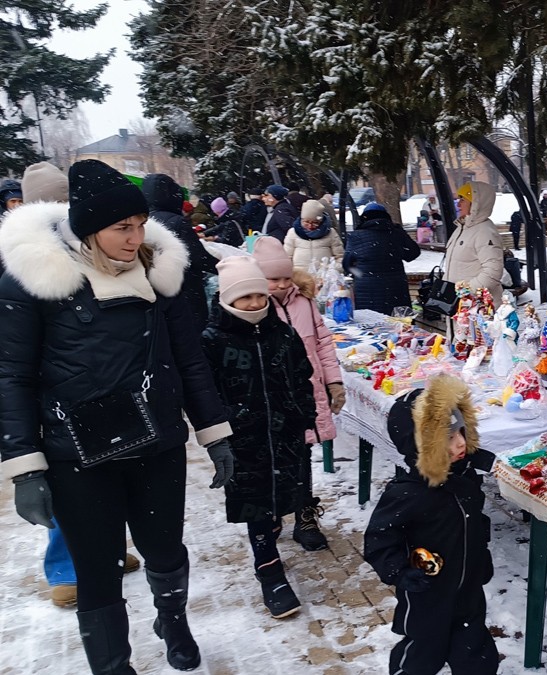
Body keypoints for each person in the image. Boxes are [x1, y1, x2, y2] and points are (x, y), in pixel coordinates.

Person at [0, 159, 235, 673]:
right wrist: (25, 466)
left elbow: (189, 358)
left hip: (158, 443)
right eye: (121, 228)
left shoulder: (158, 270)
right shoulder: (33, 280)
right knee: (97, 570)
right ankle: (112, 666)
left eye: (139, 225)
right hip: (77, 454)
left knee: (165, 550)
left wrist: (215, 433)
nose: (135, 238)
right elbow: (11, 376)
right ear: (89, 228)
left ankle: (171, 619)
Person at [10, 161, 143, 610]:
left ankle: (101, 551)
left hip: (100, 398)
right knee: (67, 492)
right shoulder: (26, 255)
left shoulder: (89, 237)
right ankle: (66, 571)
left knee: (102, 488)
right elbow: (16, 362)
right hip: (58, 401)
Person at [201, 256, 316, 619]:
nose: (253, 304)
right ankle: (269, 570)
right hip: (243, 441)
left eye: (258, 295)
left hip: (285, 432)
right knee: (256, 506)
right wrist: (222, 430)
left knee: (285, 492)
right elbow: (205, 393)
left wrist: (304, 413)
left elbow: (302, 372)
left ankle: (281, 525)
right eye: (243, 297)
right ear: (226, 298)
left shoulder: (281, 331)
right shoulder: (212, 340)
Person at [364, 376, 499, 675]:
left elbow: (474, 519)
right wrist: (401, 572)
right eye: (448, 438)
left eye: (462, 431)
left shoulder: (464, 478)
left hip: (468, 590)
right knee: (422, 657)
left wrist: (480, 554)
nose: (461, 443)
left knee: (477, 657)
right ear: (423, 445)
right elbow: (378, 540)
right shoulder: (407, 493)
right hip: (427, 595)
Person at [253, 237, 346, 550]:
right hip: (272, 399)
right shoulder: (252, 305)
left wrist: (334, 382)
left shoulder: (304, 301)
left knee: (303, 457)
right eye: (272, 279)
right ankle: (276, 511)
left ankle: (305, 516)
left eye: (285, 278)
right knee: (275, 459)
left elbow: (323, 343)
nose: (280, 285)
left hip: (305, 396)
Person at [142, 173, 220, 331]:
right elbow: (197, 257)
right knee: (192, 335)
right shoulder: (177, 222)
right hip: (185, 289)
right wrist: (225, 267)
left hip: (155, 290)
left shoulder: (143, 221)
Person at [342, 203, 422, 314]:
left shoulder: (355, 236)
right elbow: (413, 254)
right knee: (399, 323)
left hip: (367, 290)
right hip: (396, 286)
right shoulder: (396, 233)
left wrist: (362, 275)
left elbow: (347, 265)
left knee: (369, 324)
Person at [445, 182, 505, 301]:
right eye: (458, 200)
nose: (458, 205)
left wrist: (466, 292)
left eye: (462, 200)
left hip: (478, 308)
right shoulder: (462, 228)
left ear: (476, 204)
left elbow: (493, 272)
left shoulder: (485, 232)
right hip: (462, 306)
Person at [285, 199, 344, 271]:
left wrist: (333, 269)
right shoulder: (293, 233)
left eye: (315, 222)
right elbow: (286, 257)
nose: (310, 226)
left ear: (321, 221)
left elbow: (340, 256)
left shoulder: (330, 233)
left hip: (324, 276)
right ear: (301, 219)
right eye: (306, 222)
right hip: (300, 277)